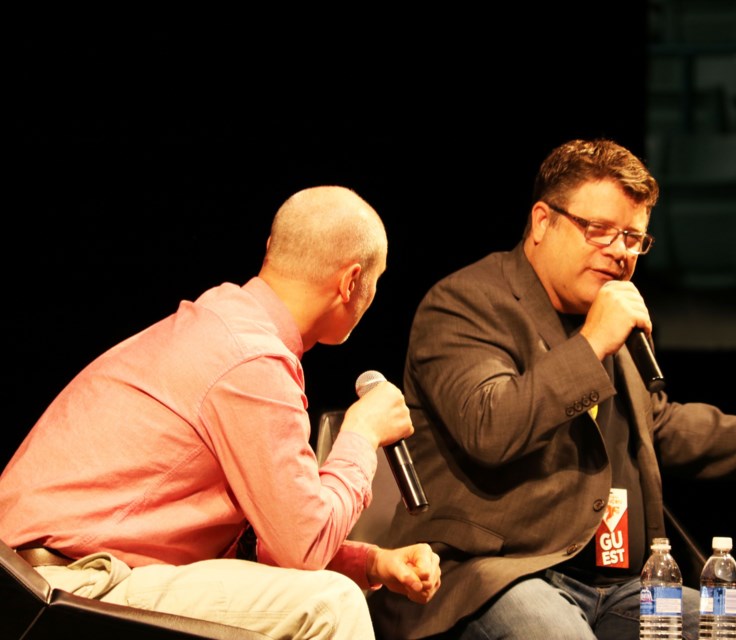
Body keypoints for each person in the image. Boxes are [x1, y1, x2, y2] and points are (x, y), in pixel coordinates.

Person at [366, 139, 736, 640]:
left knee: (735, 630)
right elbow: (490, 426)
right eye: (600, 230)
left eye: (634, 238)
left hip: (619, 585)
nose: (621, 253)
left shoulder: (607, 318)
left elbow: (656, 427)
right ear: (542, 222)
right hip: (497, 572)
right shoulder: (465, 302)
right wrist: (593, 342)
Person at [0, 186, 441, 639]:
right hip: (57, 583)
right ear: (351, 283)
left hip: (54, 571)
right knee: (329, 604)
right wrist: (363, 433)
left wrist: (370, 562)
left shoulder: (227, 326)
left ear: (271, 248)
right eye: (377, 280)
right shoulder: (252, 361)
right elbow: (303, 545)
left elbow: (269, 535)